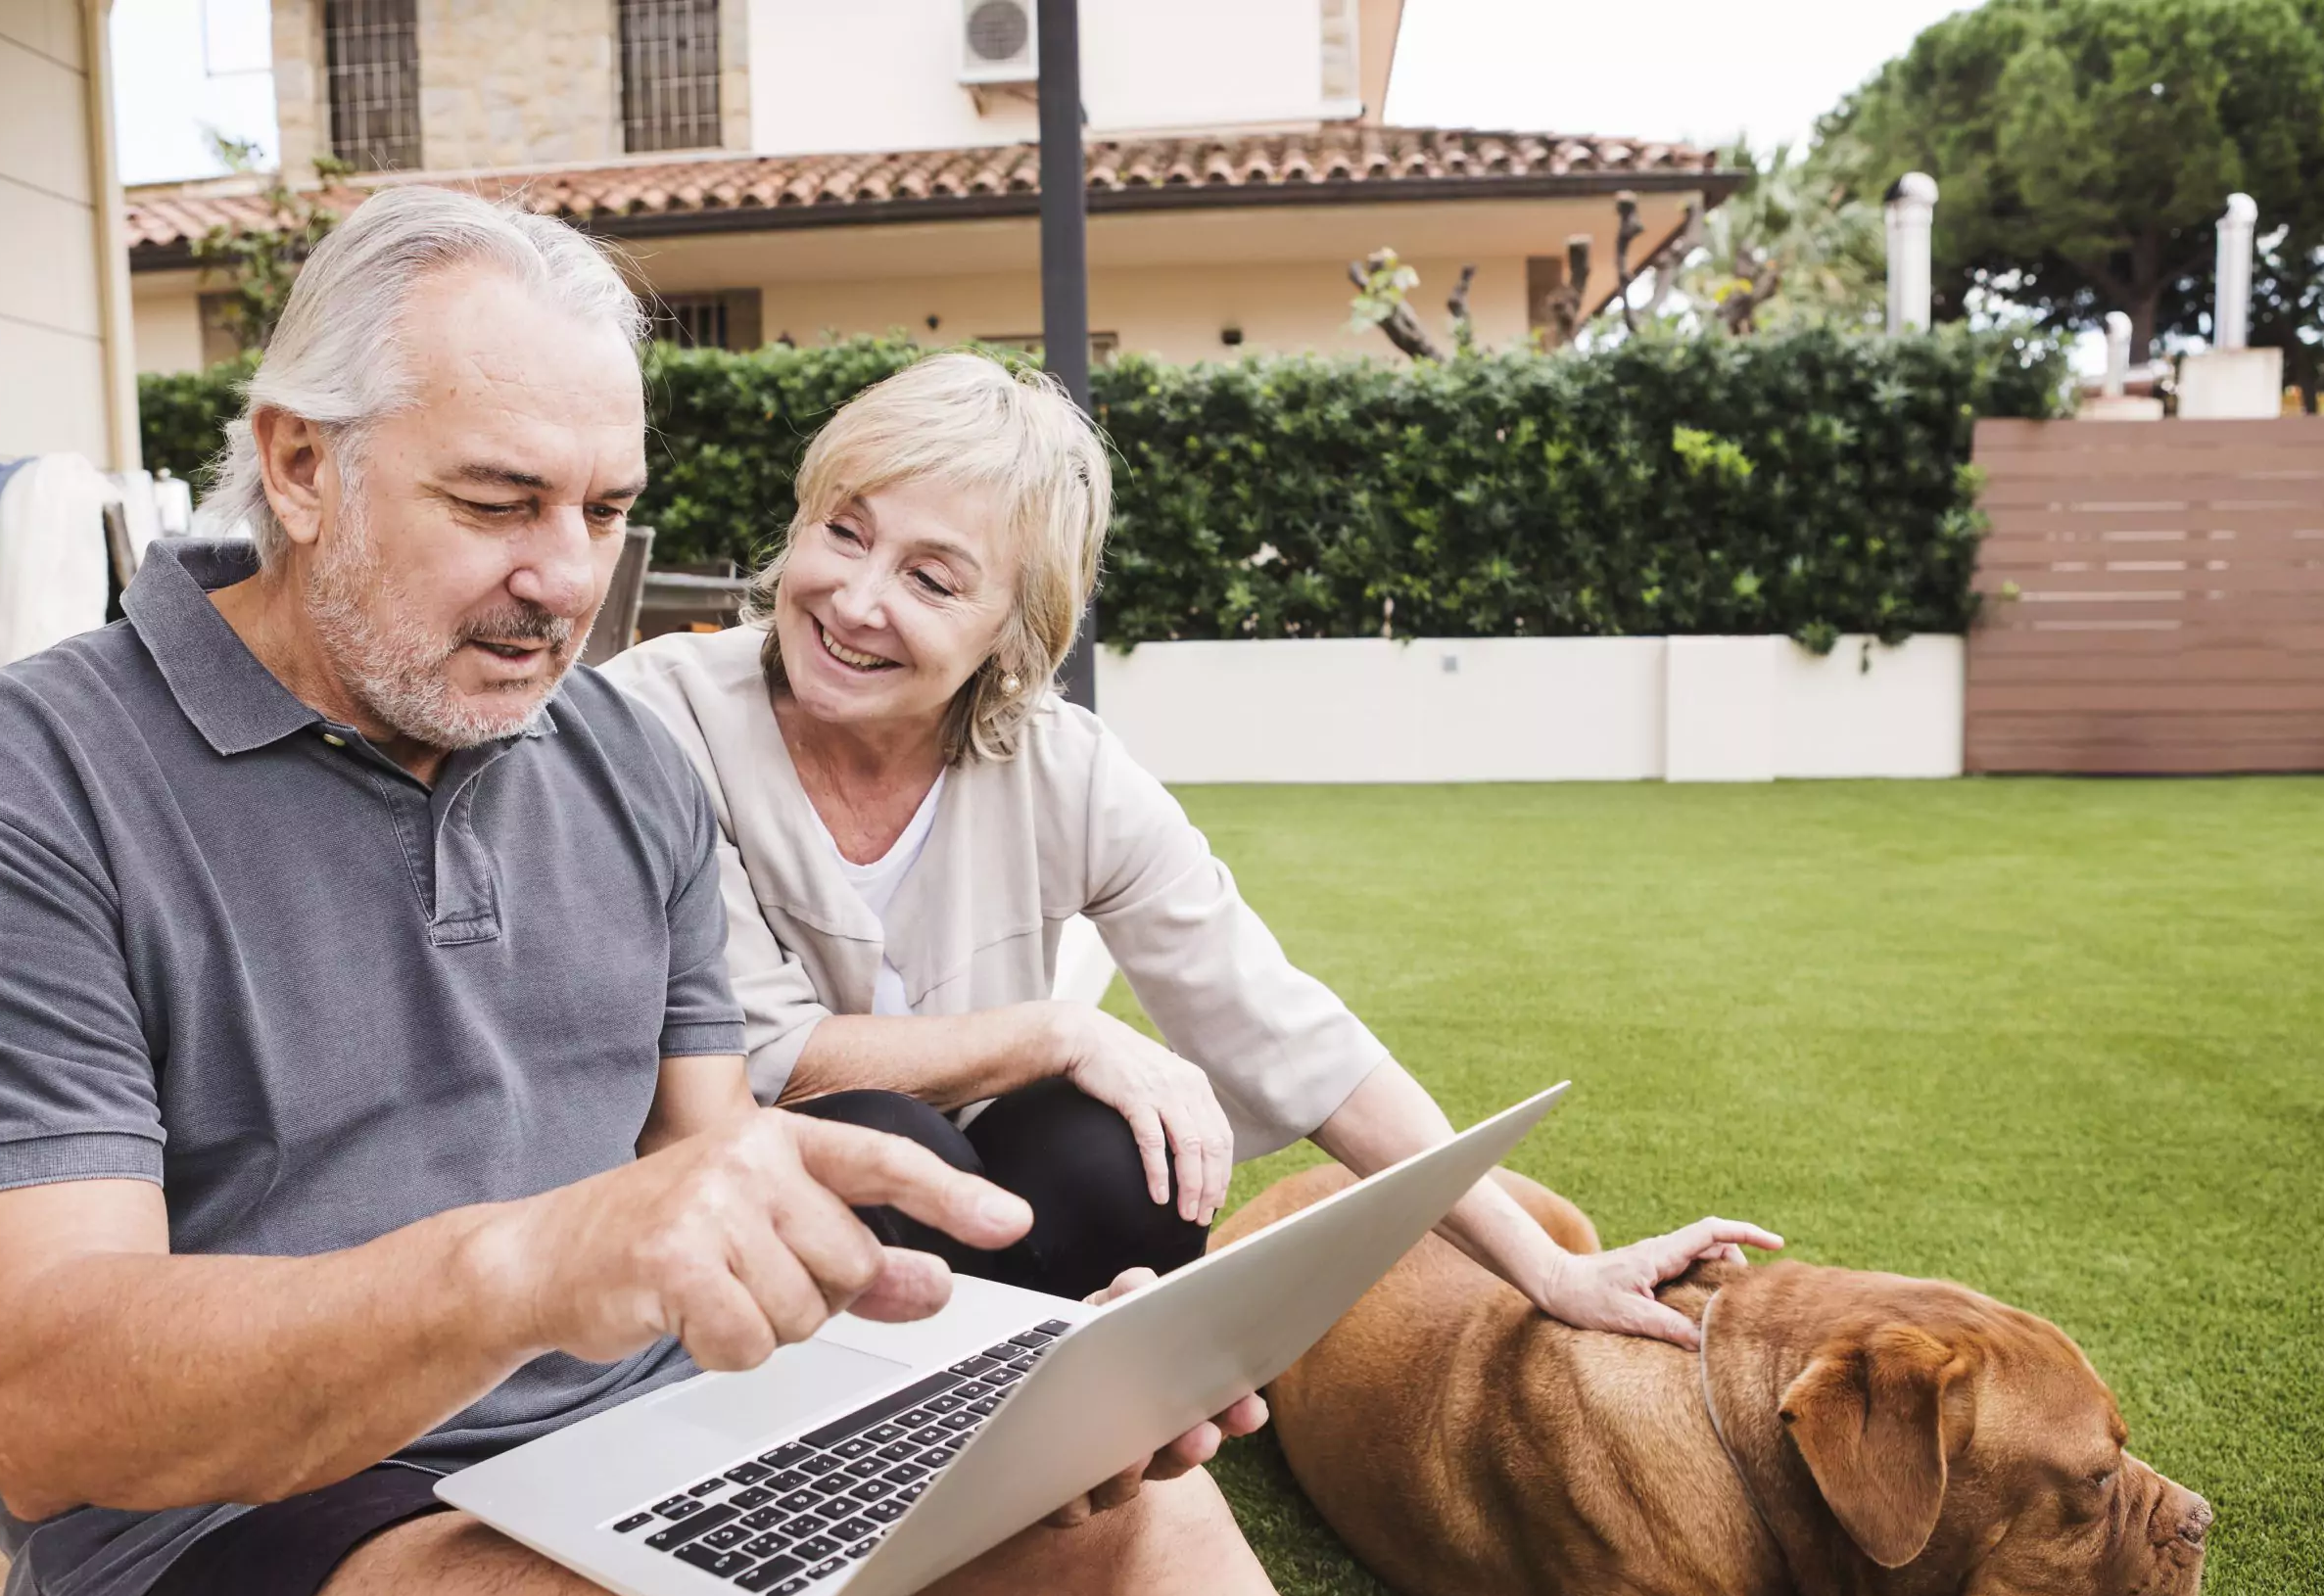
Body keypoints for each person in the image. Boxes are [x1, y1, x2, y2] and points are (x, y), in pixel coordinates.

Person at [0, 188, 1371, 1596]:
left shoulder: (623, 756)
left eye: (605, 509)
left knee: (1135, 1544)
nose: (568, 580)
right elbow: (48, 1407)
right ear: (300, 466)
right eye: (499, 502)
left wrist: (1007, 1377)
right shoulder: (7, 787)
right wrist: (528, 1263)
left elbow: (711, 1164)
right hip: (247, 1522)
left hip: (656, 1431)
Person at [603, 352, 1781, 1322]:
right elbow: (762, 1060)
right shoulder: (664, 715)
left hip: (958, 1213)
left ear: (1016, 635)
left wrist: (1549, 1267)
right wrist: (1058, 1031)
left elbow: (1284, 1032)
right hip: (738, 1201)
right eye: (844, 534)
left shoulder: (1059, 765)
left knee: (1132, 1142)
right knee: (876, 1136)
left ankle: (1051, 1391)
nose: (857, 600)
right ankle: (933, 1410)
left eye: (931, 579)